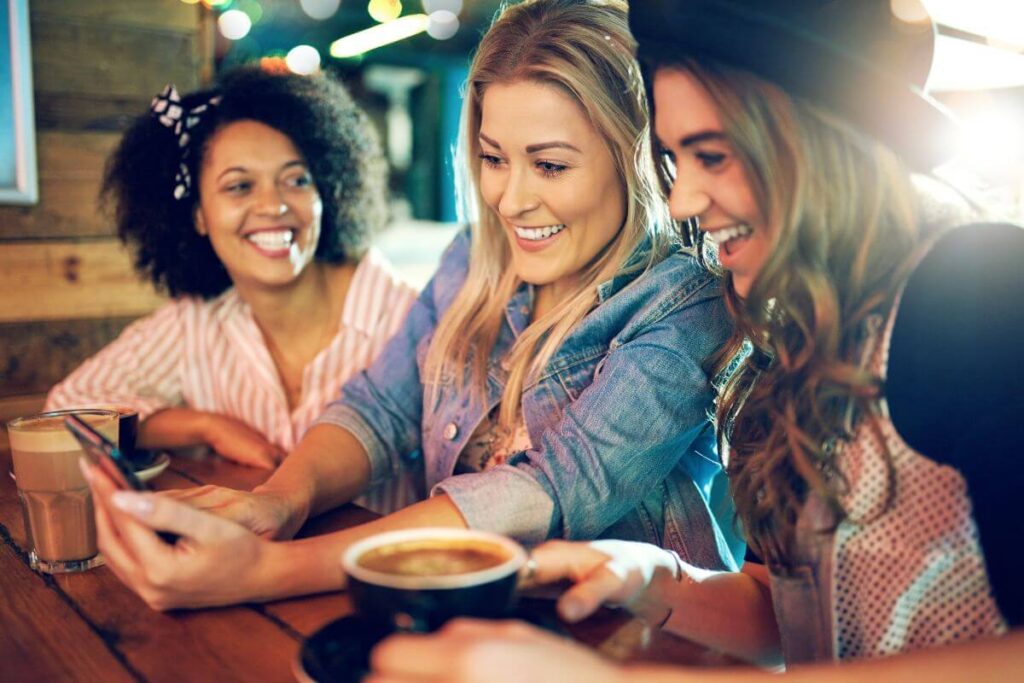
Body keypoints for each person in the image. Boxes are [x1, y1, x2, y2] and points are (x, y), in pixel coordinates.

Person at [366, 0, 1024, 679]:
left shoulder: (975, 286)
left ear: (819, 141)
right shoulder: (789, 328)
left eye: (713, 155)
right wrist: (655, 578)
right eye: (678, 161)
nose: (681, 201)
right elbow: (789, 622)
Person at [80, 0, 737, 611]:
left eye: (550, 166)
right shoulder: (473, 261)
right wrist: (279, 501)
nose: (509, 200)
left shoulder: (685, 305)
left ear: (633, 159)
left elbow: (550, 488)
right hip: (475, 630)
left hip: (638, 650)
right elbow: (378, 408)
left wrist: (268, 570)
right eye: (493, 158)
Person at [48, 68, 420, 510]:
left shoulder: (410, 318)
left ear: (329, 192)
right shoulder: (198, 323)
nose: (274, 205)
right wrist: (204, 427)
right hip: (243, 570)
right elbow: (68, 408)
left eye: (297, 179)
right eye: (240, 186)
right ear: (198, 216)